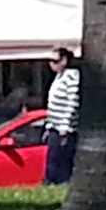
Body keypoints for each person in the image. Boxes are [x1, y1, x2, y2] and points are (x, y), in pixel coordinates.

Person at [43, 47, 80, 186]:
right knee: (52, 160)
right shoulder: (59, 76)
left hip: (64, 129)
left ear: (64, 60)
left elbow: (73, 102)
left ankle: (61, 184)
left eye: (54, 61)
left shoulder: (71, 76)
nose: (51, 64)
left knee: (61, 161)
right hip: (55, 126)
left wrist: (65, 126)